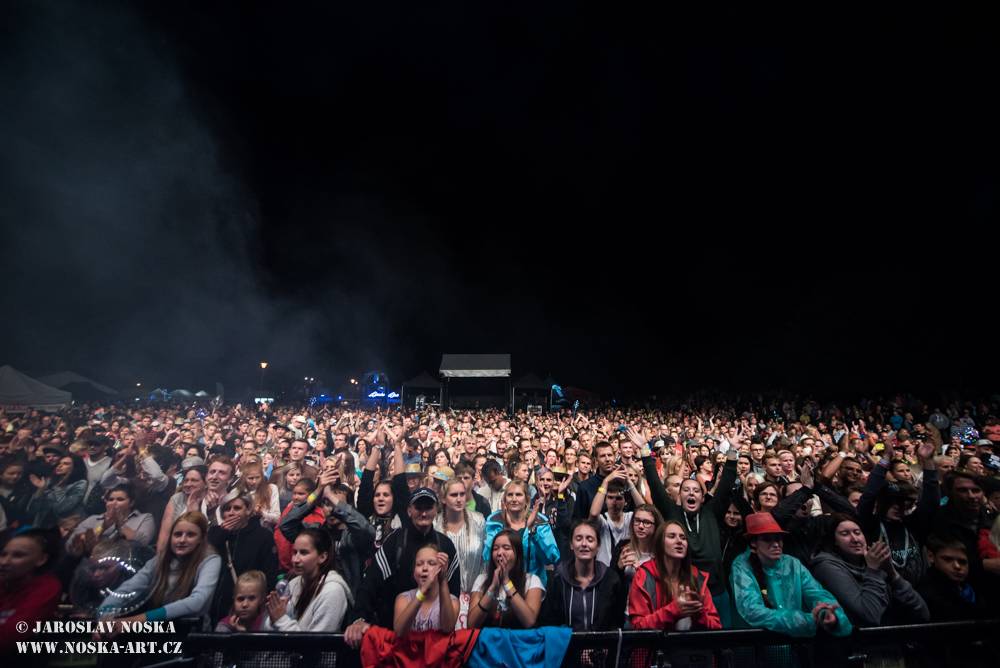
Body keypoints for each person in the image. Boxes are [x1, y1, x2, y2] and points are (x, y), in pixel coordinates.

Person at [343, 431, 460, 650]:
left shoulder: (446, 545)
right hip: (397, 639)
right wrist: (359, 618)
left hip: (436, 644)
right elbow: (372, 581)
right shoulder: (395, 541)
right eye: (418, 507)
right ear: (409, 509)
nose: (423, 513)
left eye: (428, 507)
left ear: (437, 510)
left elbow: (453, 594)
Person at [730, 512, 852, 637]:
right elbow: (752, 610)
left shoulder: (793, 564)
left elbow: (817, 593)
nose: (776, 544)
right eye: (767, 539)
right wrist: (809, 620)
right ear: (753, 543)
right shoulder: (742, 565)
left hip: (793, 645)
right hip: (759, 645)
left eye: (778, 538)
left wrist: (826, 612)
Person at [98, 511, 221, 627]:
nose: (182, 540)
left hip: (192, 631)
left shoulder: (210, 560)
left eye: (191, 535)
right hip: (161, 628)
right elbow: (127, 589)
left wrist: (138, 620)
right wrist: (104, 618)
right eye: (177, 534)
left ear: (201, 538)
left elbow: (197, 602)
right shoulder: (159, 560)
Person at [810, 514, 929, 626]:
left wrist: (892, 573)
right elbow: (870, 616)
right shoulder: (826, 566)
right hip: (858, 644)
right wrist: (873, 571)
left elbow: (922, 613)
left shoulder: (872, 562)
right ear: (833, 541)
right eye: (845, 534)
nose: (855, 539)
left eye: (858, 532)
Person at [628, 521, 721, 630]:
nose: (679, 541)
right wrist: (673, 610)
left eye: (683, 538)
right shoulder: (643, 576)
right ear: (660, 543)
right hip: (658, 645)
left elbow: (716, 626)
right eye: (672, 536)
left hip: (692, 645)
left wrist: (698, 613)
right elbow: (638, 627)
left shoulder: (697, 577)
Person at [540, 519, 626, 630]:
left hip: (602, 645)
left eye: (590, 540)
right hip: (568, 645)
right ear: (571, 544)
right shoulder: (558, 579)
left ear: (598, 545)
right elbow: (549, 621)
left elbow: (617, 621)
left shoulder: (611, 579)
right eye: (578, 539)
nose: (584, 544)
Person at [263, 528, 353, 632]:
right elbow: (269, 628)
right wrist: (274, 616)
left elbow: (316, 644)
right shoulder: (293, 584)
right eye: (294, 552)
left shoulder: (333, 591)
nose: (295, 560)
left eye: (303, 553)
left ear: (322, 557)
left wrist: (281, 619)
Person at [208, 495, 279, 624]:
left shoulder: (263, 536)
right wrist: (223, 533)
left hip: (250, 605)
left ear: (248, 511)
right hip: (219, 605)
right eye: (227, 509)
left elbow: (270, 573)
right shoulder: (214, 534)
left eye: (237, 508)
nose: (231, 512)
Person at [482, 480, 560, 584]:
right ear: (504, 500)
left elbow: (552, 557)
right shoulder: (495, 520)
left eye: (518, 495)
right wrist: (505, 527)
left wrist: (533, 530)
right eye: (510, 495)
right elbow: (487, 556)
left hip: (533, 585)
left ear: (527, 500)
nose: (514, 499)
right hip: (502, 584)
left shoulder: (539, 520)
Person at [0, 527, 62, 653]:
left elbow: (14, 633)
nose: (4, 562)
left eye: (18, 555)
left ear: (41, 559)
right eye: (3, 554)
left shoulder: (47, 587)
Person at [468, 528, 544, 629]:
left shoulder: (532, 581)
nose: (500, 553)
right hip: (488, 642)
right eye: (495, 548)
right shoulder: (481, 580)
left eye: (506, 548)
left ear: (518, 554)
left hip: (519, 642)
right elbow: (471, 624)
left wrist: (506, 582)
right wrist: (492, 589)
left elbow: (529, 622)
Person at [67, 482, 155, 557]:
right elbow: (70, 545)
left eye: (120, 499)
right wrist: (102, 527)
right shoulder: (93, 519)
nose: (114, 503)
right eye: (110, 499)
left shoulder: (145, 518)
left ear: (131, 503)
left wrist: (121, 525)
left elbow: (143, 543)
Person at [433, 478, 485, 608]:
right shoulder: (434, 524)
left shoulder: (478, 520)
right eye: (453, 495)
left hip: (475, 595)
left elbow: (485, 560)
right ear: (443, 499)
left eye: (462, 494)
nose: (459, 499)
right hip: (443, 597)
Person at [917, 533, 989, 621]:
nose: (957, 566)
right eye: (948, 559)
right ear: (931, 557)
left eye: (962, 562)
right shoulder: (928, 593)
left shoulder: (974, 590)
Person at [393, 543, 459, 635]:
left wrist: (443, 579)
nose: (424, 568)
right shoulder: (403, 599)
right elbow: (399, 632)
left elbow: (447, 628)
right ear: (414, 571)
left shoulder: (452, 601)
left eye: (431, 563)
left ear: (441, 569)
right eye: (419, 564)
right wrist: (423, 590)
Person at [26, 453, 88, 528]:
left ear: (75, 467)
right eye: (59, 463)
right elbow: (31, 509)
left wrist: (59, 486)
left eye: (66, 464)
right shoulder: (50, 480)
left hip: (61, 526)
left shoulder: (80, 483)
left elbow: (61, 509)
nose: (60, 466)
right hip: (40, 524)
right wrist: (41, 489)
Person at [610, 504, 662, 592]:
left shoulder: (662, 552)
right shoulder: (623, 547)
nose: (641, 526)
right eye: (637, 521)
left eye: (647, 522)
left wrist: (642, 571)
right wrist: (618, 568)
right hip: (625, 603)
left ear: (656, 526)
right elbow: (610, 585)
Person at [157, 465, 207, 554]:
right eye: (186, 480)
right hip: (172, 550)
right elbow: (164, 533)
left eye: (194, 480)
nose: (188, 484)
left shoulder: (209, 501)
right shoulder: (176, 498)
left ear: (205, 483)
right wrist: (160, 558)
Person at [235, 461, 280, 529]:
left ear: (262, 476)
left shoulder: (271, 488)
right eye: (251, 478)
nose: (254, 481)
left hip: (264, 530)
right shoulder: (238, 491)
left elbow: (277, 518)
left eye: (257, 477)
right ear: (244, 478)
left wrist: (262, 513)